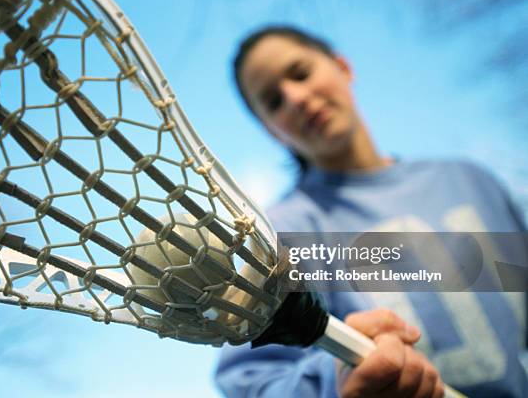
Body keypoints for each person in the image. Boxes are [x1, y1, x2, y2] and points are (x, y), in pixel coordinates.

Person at [214, 27, 527, 397]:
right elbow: (249, 382)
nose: (295, 97)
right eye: (273, 101)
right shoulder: (283, 234)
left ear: (343, 67)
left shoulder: (469, 181)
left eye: (300, 73)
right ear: (272, 131)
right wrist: (336, 380)